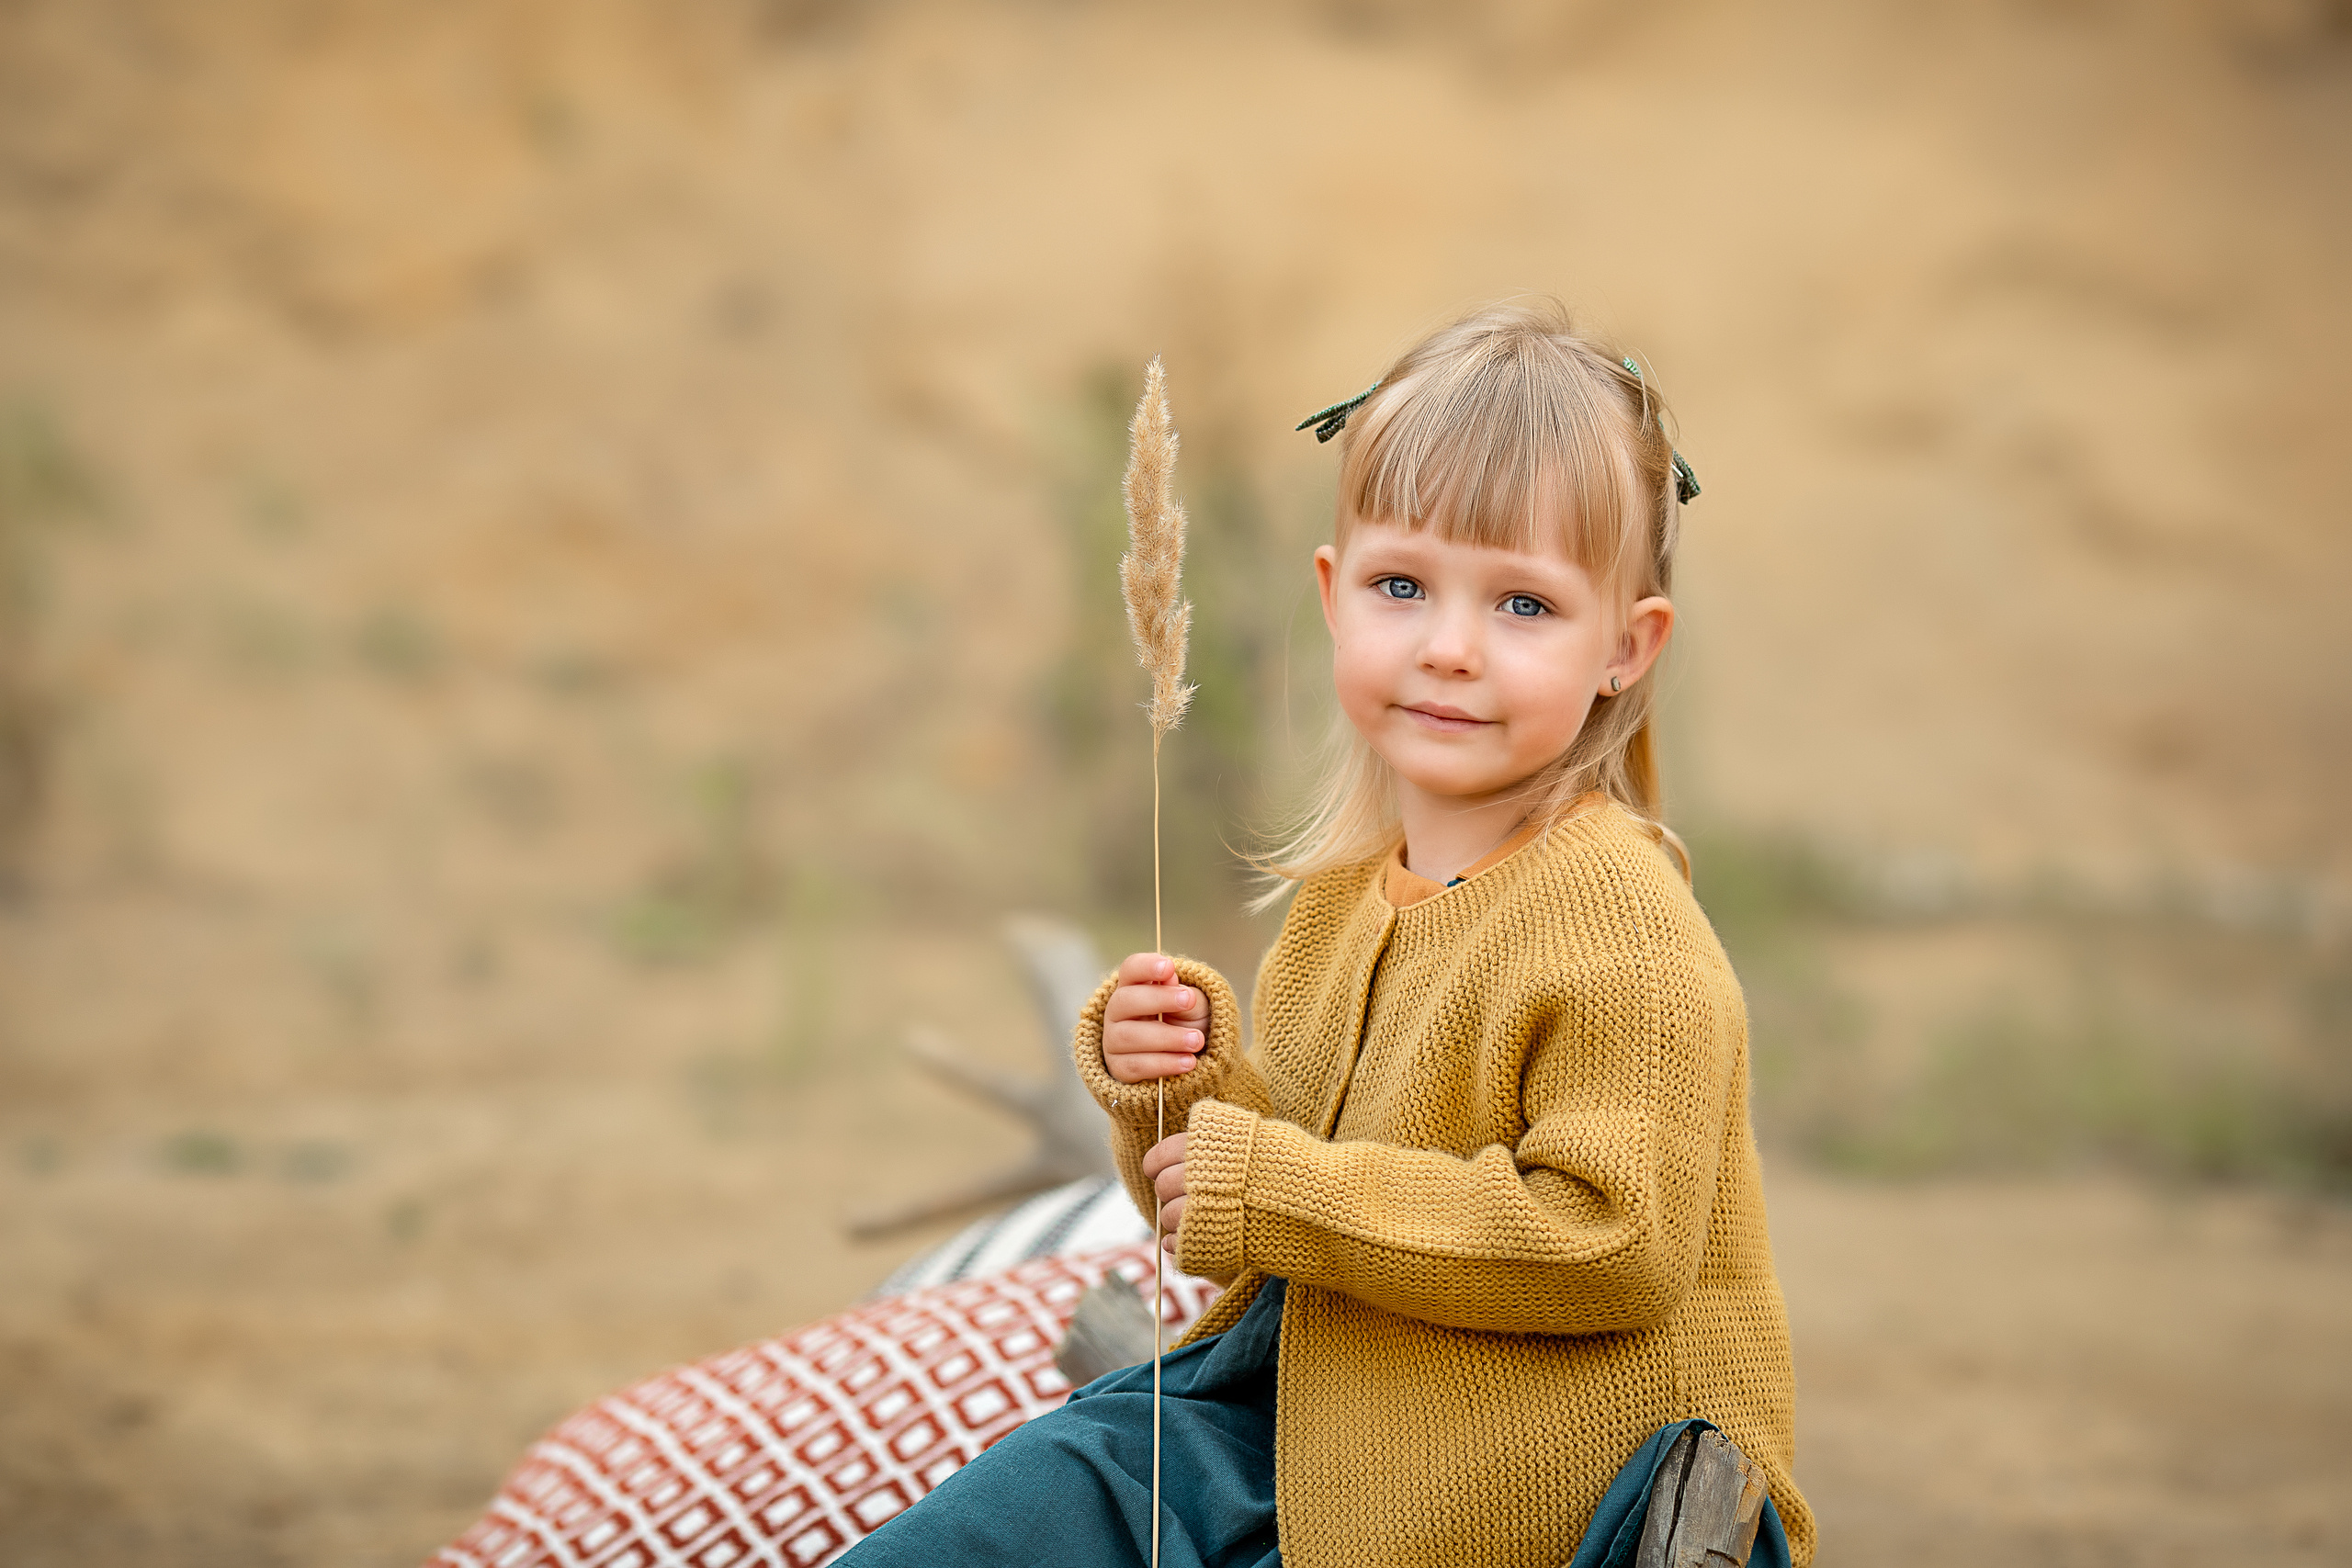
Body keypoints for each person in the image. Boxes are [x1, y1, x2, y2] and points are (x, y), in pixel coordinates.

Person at [841, 300, 1813, 1567]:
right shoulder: (1345, 899)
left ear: (1626, 647)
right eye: (1401, 585)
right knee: (1020, 1507)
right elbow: (1229, 1219)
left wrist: (1274, 1187)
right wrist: (1178, 1087)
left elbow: (1608, 1245)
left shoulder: (1625, 929)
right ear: (1333, 594)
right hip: (1317, 1429)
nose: (1450, 649)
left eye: (1523, 606)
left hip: (1532, 1490)